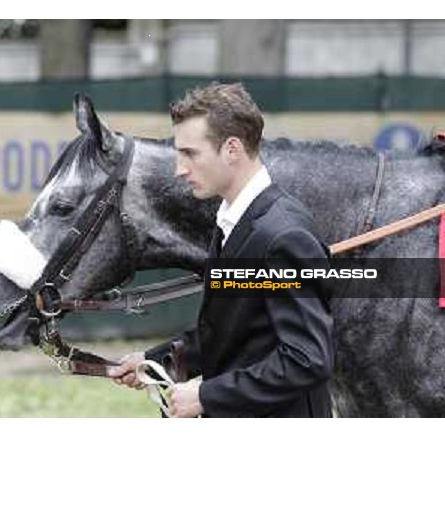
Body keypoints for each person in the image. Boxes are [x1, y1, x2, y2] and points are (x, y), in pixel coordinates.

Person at [109, 82, 335, 418]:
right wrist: (157, 362)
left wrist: (207, 396)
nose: (179, 169)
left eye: (190, 153)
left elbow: (306, 359)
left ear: (232, 149)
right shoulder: (232, 220)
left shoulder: (285, 236)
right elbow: (234, 335)